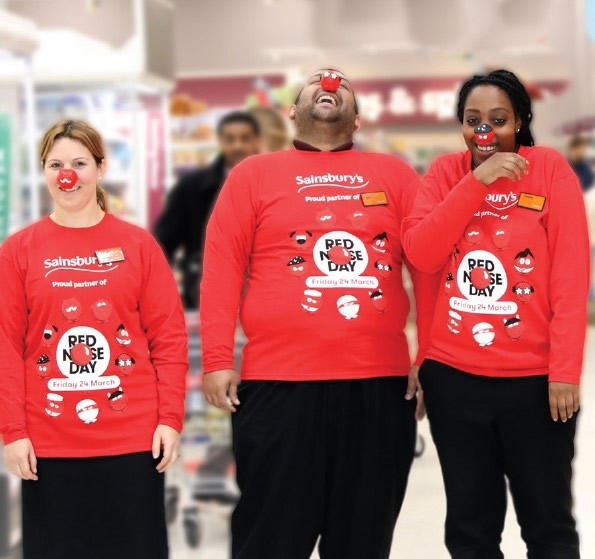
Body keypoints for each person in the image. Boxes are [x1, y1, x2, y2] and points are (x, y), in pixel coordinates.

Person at [199, 68, 438, 559]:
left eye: (343, 86)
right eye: (315, 83)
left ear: (357, 118)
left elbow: (429, 270)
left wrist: (429, 357)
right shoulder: (252, 175)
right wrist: (218, 357)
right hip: (277, 387)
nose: (329, 86)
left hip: (378, 386)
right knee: (270, 538)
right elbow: (222, 266)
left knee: (362, 540)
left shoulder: (394, 175)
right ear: (291, 110)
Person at [402, 69, 588, 559]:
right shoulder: (444, 173)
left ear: (520, 121)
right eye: (473, 120)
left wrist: (564, 371)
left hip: (534, 384)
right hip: (454, 381)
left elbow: (570, 277)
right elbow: (420, 252)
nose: (485, 131)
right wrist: (475, 182)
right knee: (470, 529)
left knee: (548, 526)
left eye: (498, 119)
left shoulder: (548, 168)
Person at [0, 119, 188, 559]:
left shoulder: (138, 245)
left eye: (80, 163)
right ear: (44, 172)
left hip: (132, 440)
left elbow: (169, 337)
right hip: (49, 444)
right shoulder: (18, 251)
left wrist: (170, 418)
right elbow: (6, 346)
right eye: (56, 164)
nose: (68, 175)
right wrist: (12, 431)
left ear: (101, 169)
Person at [154, 111, 261, 308]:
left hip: (262, 290)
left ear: (257, 140)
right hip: (205, 290)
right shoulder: (190, 187)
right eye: (230, 139)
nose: (237, 145)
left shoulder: (275, 183)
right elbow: (163, 242)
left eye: (245, 138)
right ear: (220, 141)